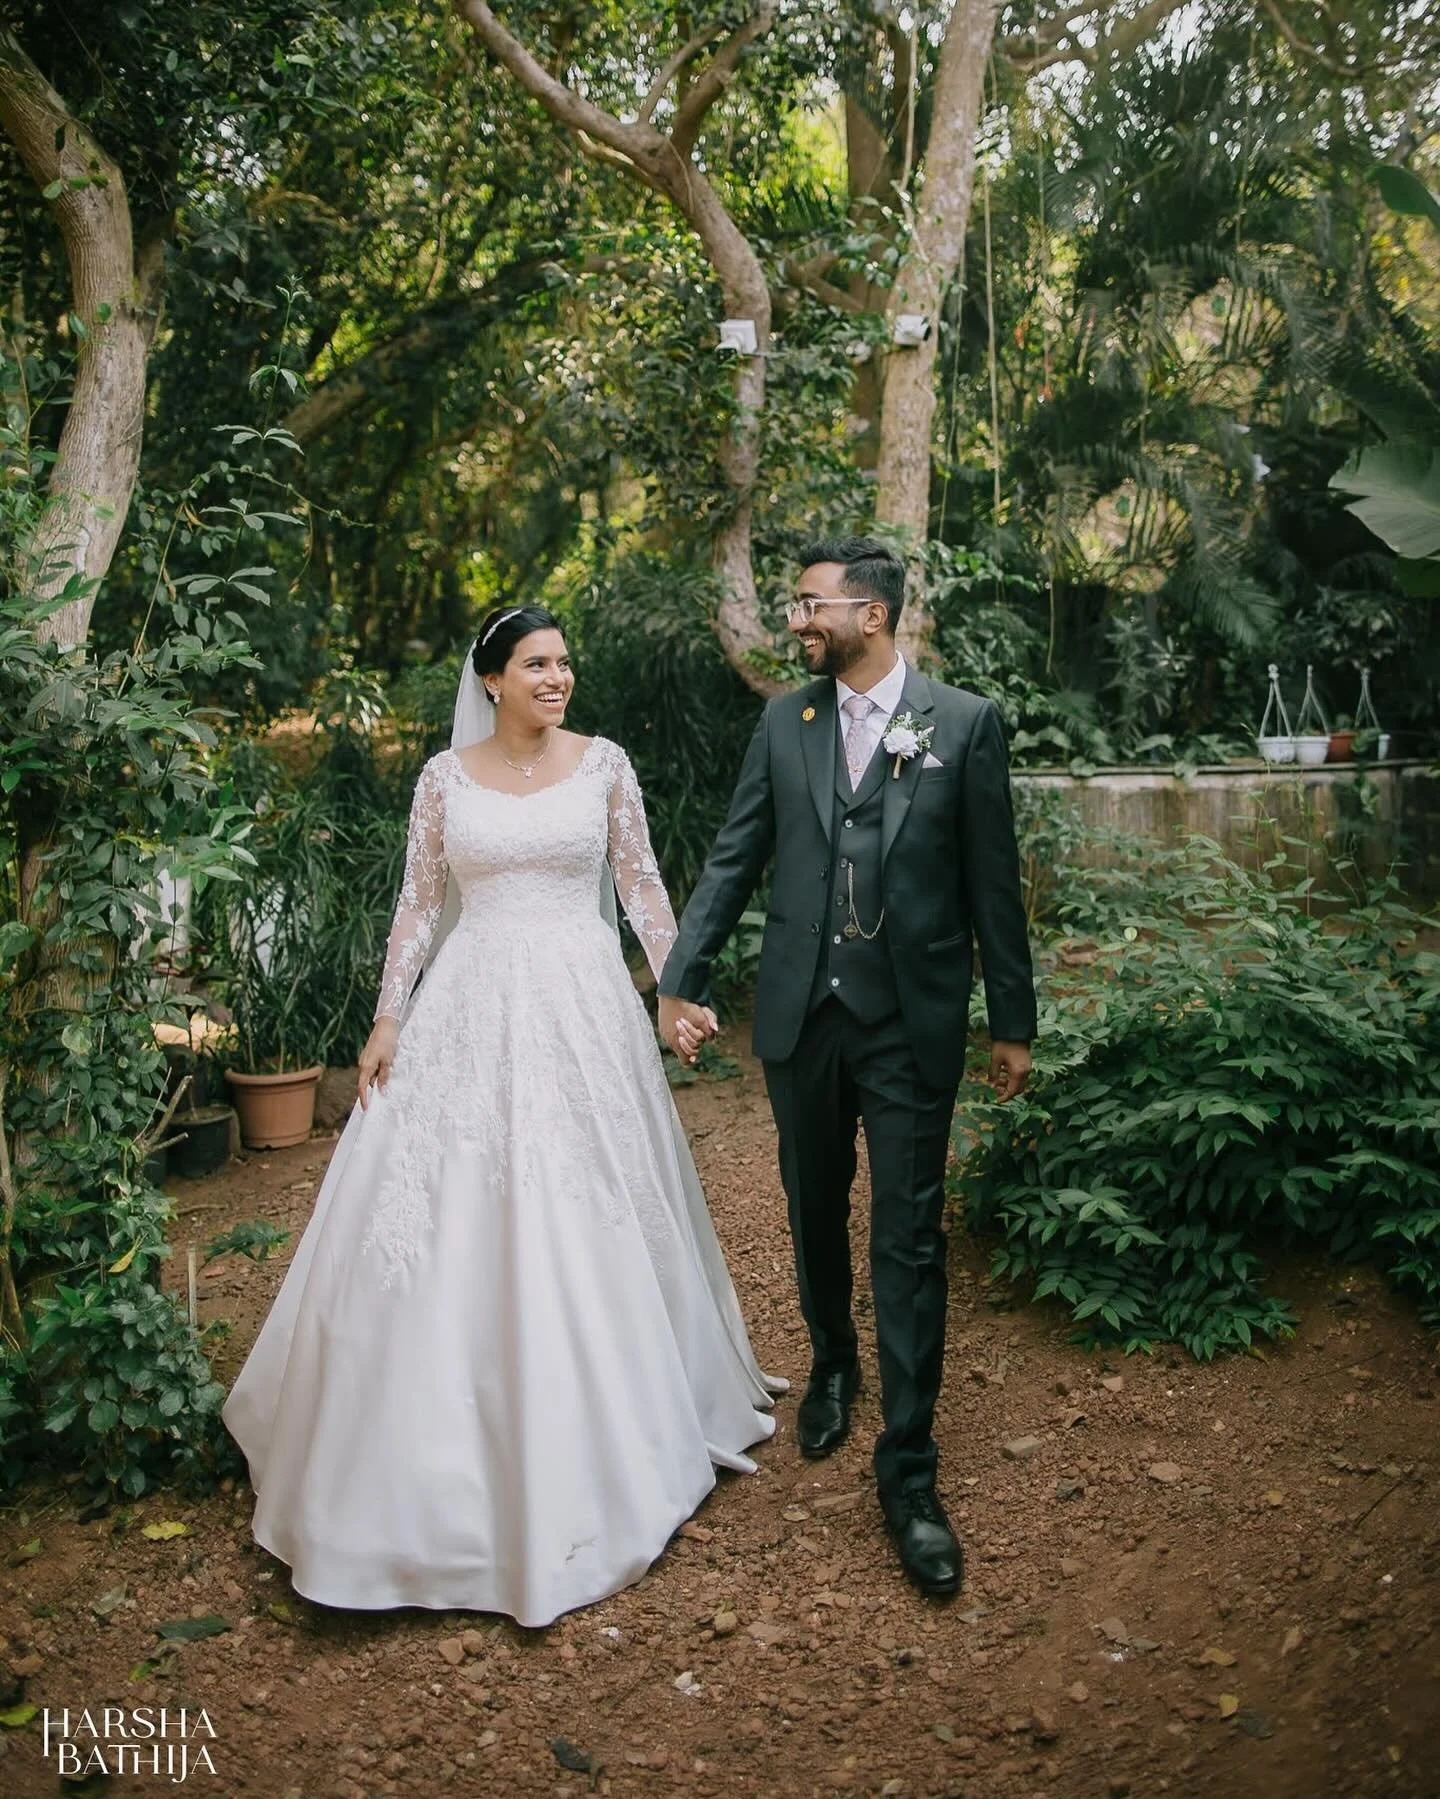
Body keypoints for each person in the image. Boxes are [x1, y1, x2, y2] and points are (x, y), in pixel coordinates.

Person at [223, 604, 784, 1629]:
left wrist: (672, 986)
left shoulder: (604, 764)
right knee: (438, 1206)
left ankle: (619, 1415)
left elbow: (642, 883)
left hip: (579, 1004)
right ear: (490, 679)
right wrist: (389, 1016)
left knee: (587, 1196)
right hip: (468, 1003)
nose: (557, 677)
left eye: (566, 661)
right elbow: (415, 903)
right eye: (537, 663)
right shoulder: (444, 780)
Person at [656, 538, 1036, 1599]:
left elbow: (993, 885)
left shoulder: (958, 724)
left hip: (910, 1021)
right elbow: (736, 852)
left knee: (910, 1236)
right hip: (801, 1015)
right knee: (814, 1206)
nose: (797, 621)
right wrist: (680, 977)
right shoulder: (790, 720)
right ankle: (833, 1362)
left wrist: (1014, 1018)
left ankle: (908, 1472)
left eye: (812, 605)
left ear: (872, 615)